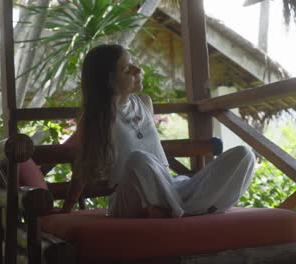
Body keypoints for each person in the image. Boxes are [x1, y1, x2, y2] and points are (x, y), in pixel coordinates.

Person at [48, 44, 255, 218]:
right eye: (127, 69)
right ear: (109, 80)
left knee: (244, 156)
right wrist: (68, 208)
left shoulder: (144, 103)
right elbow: (83, 169)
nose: (137, 70)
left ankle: (182, 211)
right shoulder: (94, 119)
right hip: (130, 198)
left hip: (169, 189)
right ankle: (189, 210)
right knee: (139, 159)